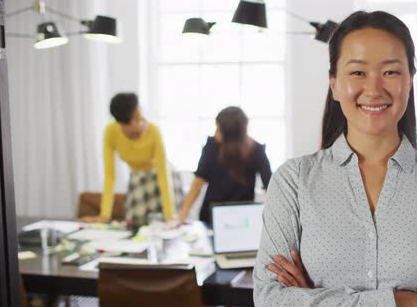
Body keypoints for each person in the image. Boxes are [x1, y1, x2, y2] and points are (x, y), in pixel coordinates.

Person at [253, 11, 417, 307]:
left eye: (390, 72)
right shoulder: (294, 181)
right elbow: (271, 300)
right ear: (334, 84)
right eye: (358, 72)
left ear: (409, 82)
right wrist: (404, 303)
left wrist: (313, 300)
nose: (374, 89)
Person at [79, 93, 175, 229]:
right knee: (134, 223)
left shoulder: (153, 131)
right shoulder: (111, 132)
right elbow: (110, 175)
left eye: (141, 116)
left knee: (160, 225)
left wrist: (169, 216)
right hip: (136, 177)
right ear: (122, 123)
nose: (141, 122)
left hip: (161, 176)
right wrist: (104, 215)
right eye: (136, 119)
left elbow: (163, 174)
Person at [178, 106, 272, 226]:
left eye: (218, 130)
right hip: (210, 217)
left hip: (243, 220)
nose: (215, 134)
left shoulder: (256, 150)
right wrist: (182, 215)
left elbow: (270, 187)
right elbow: (197, 183)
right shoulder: (212, 145)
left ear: (231, 134)